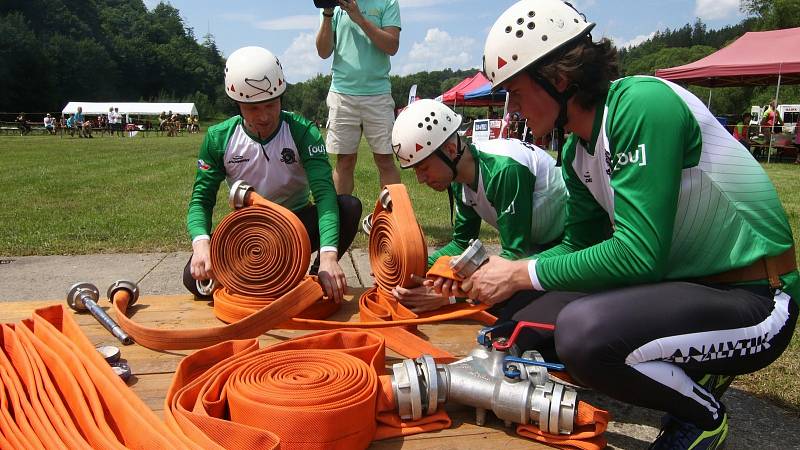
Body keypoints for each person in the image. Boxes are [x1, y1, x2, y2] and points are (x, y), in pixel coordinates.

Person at [431, 2, 799, 449]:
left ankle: (703, 417)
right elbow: (575, 248)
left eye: (517, 91)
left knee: (583, 335)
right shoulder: (576, 151)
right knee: (514, 314)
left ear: (559, 79)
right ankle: (683, 361)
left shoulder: (640, 105)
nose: (513, 107)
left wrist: (518, 271)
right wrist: (502, 272)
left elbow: (638, 254)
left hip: (759, 298)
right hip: (688, 287)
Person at [185, 46, 362, 304]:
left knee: (348, 206)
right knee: (196, 283)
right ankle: (261, 272)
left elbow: (324, 195)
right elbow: (201, 201)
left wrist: (328, 257)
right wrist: (202, 244)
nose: (265, 116)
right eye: (253, 108)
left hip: (297, 225)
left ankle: (316, 277)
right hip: (248, 233)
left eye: (271, 104)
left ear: (282, 96)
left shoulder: (302, 132)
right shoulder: (218, 138)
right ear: (237, 104)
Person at [390, 99, 566, 313]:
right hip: (539, 246)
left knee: (506, 310)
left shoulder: (504, 170)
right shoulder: (458, 179)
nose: (420, 178)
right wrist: (408, 268)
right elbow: (461, 244)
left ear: (451, 149)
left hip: (569, 246)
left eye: (423, 167)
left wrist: (451, 296)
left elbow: (514, 257)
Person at [315, 0, 402, 195]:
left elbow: (392, 45)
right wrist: (328, 14)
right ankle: (341, 222)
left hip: (378, 93)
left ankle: (395, 220)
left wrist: (360, 19)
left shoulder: (388, 2)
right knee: (344, 161)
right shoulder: (332, 5)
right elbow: (323, 51)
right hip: (342, 93)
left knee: (385, 160)